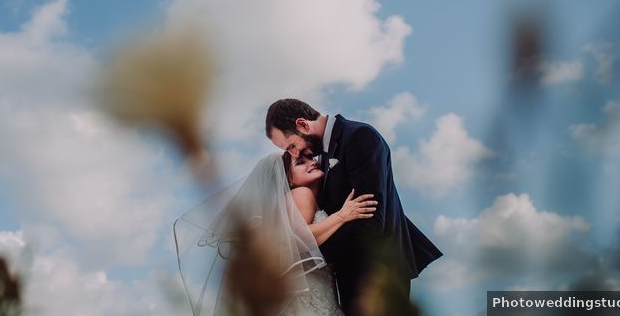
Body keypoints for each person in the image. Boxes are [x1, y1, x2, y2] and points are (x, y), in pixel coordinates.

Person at [266, 98, 443, 315]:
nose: (294, 154)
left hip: (375, 274)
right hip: (349, 277)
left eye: (291, 145)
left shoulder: (359, 137)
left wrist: (311, 256)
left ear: (303, 125)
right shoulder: (319, 163)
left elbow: (370, 218)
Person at [174, 152, 376, 316]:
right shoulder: (301, 194)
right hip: (310, 298)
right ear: (289, 178)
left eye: (309, 158)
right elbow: (298, 240)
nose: (311, 162)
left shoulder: (294, 201)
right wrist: (341, 216)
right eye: (300, 162)